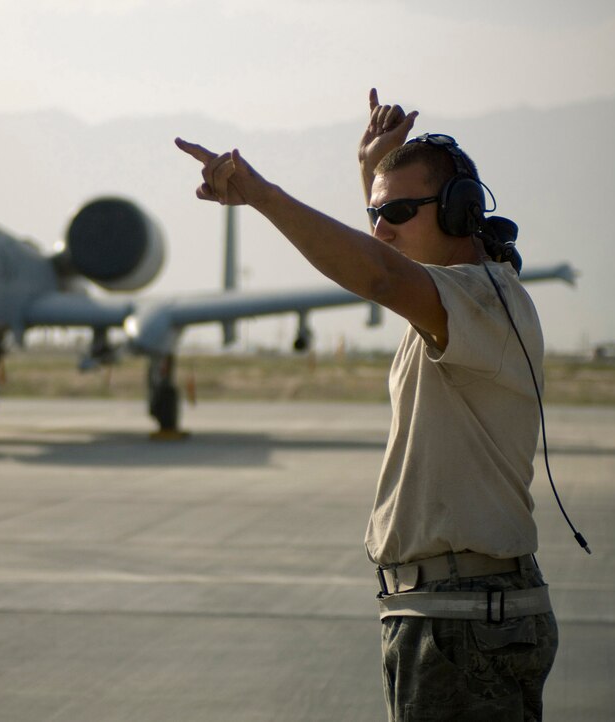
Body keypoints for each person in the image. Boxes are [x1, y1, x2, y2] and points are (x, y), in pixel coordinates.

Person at [176, 89, 558, 721]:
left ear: (463, 213)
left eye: (400, 210)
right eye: (374, 212)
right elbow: (384, 260)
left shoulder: (482, 301)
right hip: (446, 615)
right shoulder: (452, 305)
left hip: (465, 623)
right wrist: (373, 171)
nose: (380, 226)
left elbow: (378, 273)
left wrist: (262, 195)